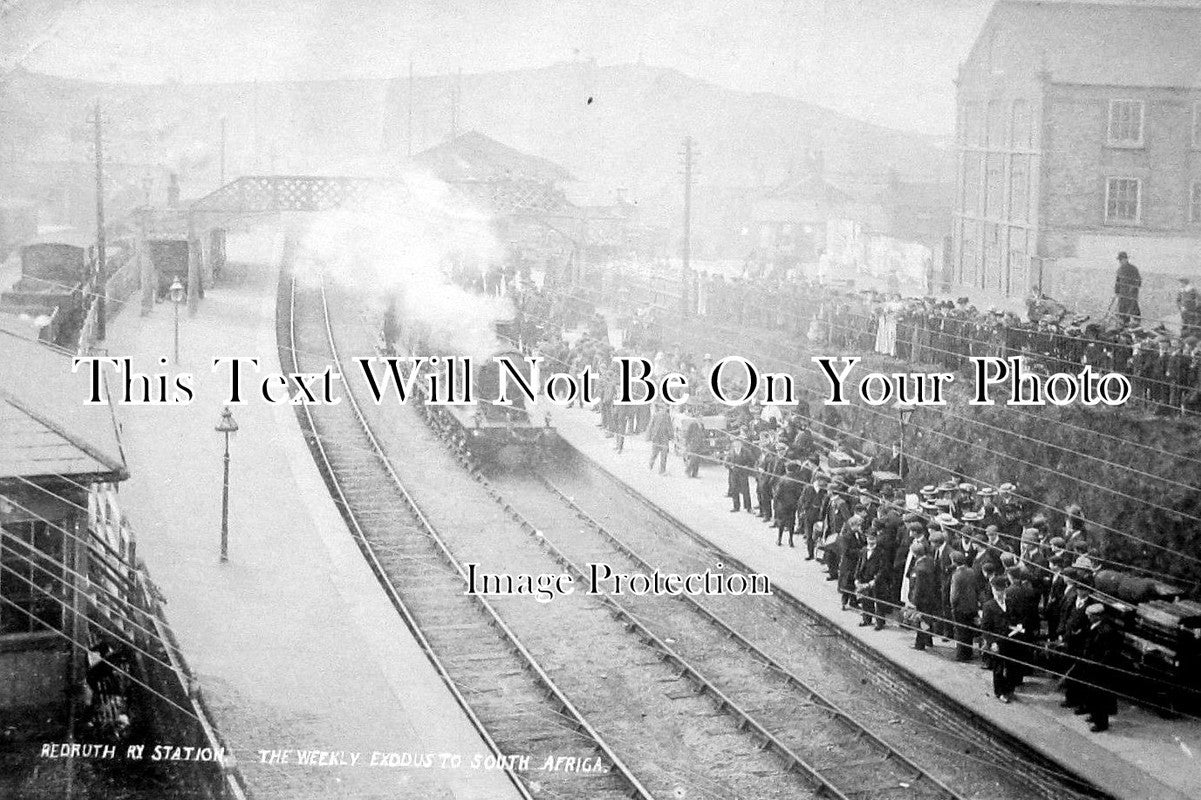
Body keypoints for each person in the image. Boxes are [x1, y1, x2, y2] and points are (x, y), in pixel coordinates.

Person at [1078, 604, 1121, 732]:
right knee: (1092, 693)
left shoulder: (1106, 630)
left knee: (1100, 696)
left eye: (1090, 616)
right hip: (1091, 665)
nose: (1088, 618)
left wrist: (1099, 664)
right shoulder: (1094, 627)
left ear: (1098, 616)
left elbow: (1109, 651)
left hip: (1100, 669)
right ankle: (1094, 715)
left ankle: (1101, 723)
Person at [981, 575, 1020, 703]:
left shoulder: (1010, 602)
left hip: (1010, 639)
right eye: (996, 590)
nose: (999, 593)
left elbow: (1016, 618)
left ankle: (1009, 690)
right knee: (998, 668)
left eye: (1001, 590)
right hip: (997, 642)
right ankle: (1000, 692)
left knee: (1011, 666)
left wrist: (1018, 626)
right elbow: (985, 628)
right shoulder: (988, 606)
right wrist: (991, 642)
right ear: (992, 590)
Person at [907, 540, 939, 651]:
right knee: (927, 618)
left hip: (922, 599)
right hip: (930, 596)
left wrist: (914, 601)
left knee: (921, 620)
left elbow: (918, 587)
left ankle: (919, 644)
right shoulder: (930, 561)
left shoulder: (919, 569)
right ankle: (928, 640)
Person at [855, 527, 888, 630]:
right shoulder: (864, 550)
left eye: (873, 539)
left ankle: (880, 622)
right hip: (864, 578)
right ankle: (866, 619)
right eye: (869, 539)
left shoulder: (881, 552)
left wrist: (875, 580)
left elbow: (883, 569)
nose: (871, 541)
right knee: (865, 600)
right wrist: (857, 578)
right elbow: (859, 564)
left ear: (876, 539)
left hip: (876, 580)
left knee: (878, 602)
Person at [948, 551, 978, 662]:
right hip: (971, 605)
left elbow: (954, 594)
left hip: (960, 607)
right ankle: (969, 653)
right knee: (968, 631)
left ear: (954, 562)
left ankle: (961, 655)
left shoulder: (956, 575)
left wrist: (952, 605)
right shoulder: (971, 571)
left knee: (960, 631)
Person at [772, 462, 803, 547]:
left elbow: (778, 492)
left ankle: (779, 539)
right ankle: (791, 540)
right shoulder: (797, 479)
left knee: (782, 521)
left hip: (783, 503)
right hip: (793, 503)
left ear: (787, 469)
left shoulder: (782, 479)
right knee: (792, 521)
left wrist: (776, 500)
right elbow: (799, 492)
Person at [725, 432, 755, 513]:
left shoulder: (746, 451)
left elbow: (752, 461)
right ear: (733, 444)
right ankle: (736, 507)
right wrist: (730, 466)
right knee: (734, 490)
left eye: (739, 443)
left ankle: (748, 507)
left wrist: (747, 466)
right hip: (734, 474)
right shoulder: (731, 452)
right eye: (735, 443)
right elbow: (726, 463)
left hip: (743, 474)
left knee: (745, 491)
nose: (737, 444)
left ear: (741, 444)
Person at [1113, 252, 1142, 325]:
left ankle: (1136, 325)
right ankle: (1124, 325)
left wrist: (1133, 289)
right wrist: (1117, 291)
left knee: (1134, 310)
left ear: (1126, 259)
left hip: (1131, 295)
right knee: (1122, 312)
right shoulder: (1119, 270)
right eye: (1119, 260)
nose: (1120, 261)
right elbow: (1117, 282)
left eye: (1121, 259)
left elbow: (1138, 281)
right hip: (1122, 295)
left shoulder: (1133, 269)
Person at [646, 405, 673, 474]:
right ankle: (661, 470)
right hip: (664, 437)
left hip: (657, 437)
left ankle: (650, 466)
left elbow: (650, 426)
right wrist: (671, 436)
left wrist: (648, 436)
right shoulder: (667, 416)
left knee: (654, 453)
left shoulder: (655, 415)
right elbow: (670, 427)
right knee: (663, 455)